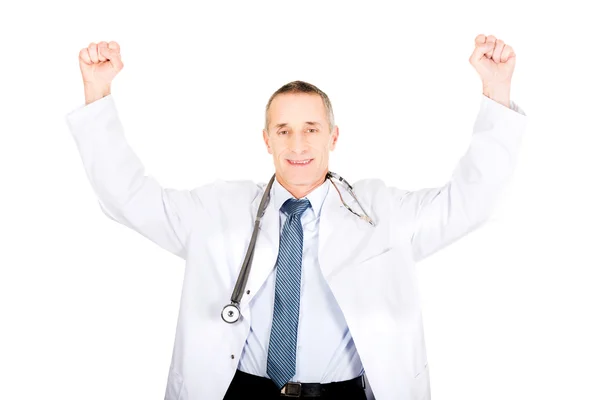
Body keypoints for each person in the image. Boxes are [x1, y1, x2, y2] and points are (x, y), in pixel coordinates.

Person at [65, 34, 527, 400]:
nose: (298, 145)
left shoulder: (382, 213)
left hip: (343, 396)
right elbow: (129, 197)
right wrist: (97, 92)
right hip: (240, 391)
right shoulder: (215, 210)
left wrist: (496, 91)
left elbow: (471, 202)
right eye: (283, 130)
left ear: (334, 136)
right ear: (266, 139)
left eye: (311, 129)